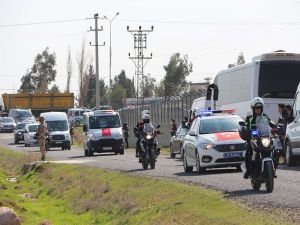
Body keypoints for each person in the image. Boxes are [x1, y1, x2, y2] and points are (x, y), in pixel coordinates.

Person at [243, 97, 276, 179]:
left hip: (264, 137)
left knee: (275, 150)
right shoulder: (250, 117)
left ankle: (273, 170)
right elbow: (246, 125)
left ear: (262, 108)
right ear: (253, 108)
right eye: (256, 108)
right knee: (248, 152)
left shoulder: (265, 116)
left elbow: (271, 122)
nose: (258, 109)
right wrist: (247, 130)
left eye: (259, 108)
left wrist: (276, 126)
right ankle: (248, 170)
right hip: (253, 138)